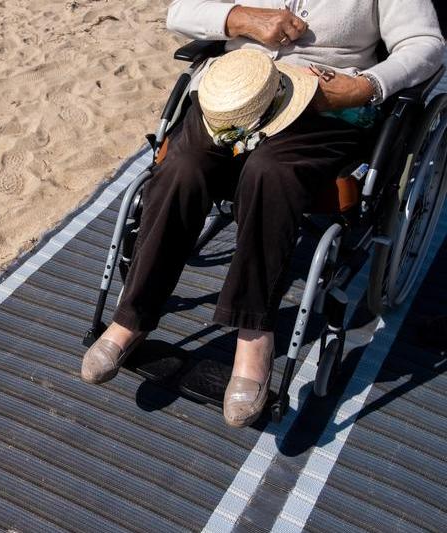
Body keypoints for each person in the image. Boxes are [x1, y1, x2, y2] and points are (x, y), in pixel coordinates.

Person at [81, 0, 445, 427]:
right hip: (235, 93)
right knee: (181, 168)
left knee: (269, 172)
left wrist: (367, 86)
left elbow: (426, 43)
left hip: (323, 105)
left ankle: (254, 334)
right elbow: (179, 12)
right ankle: (132, 317)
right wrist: (241, 19)